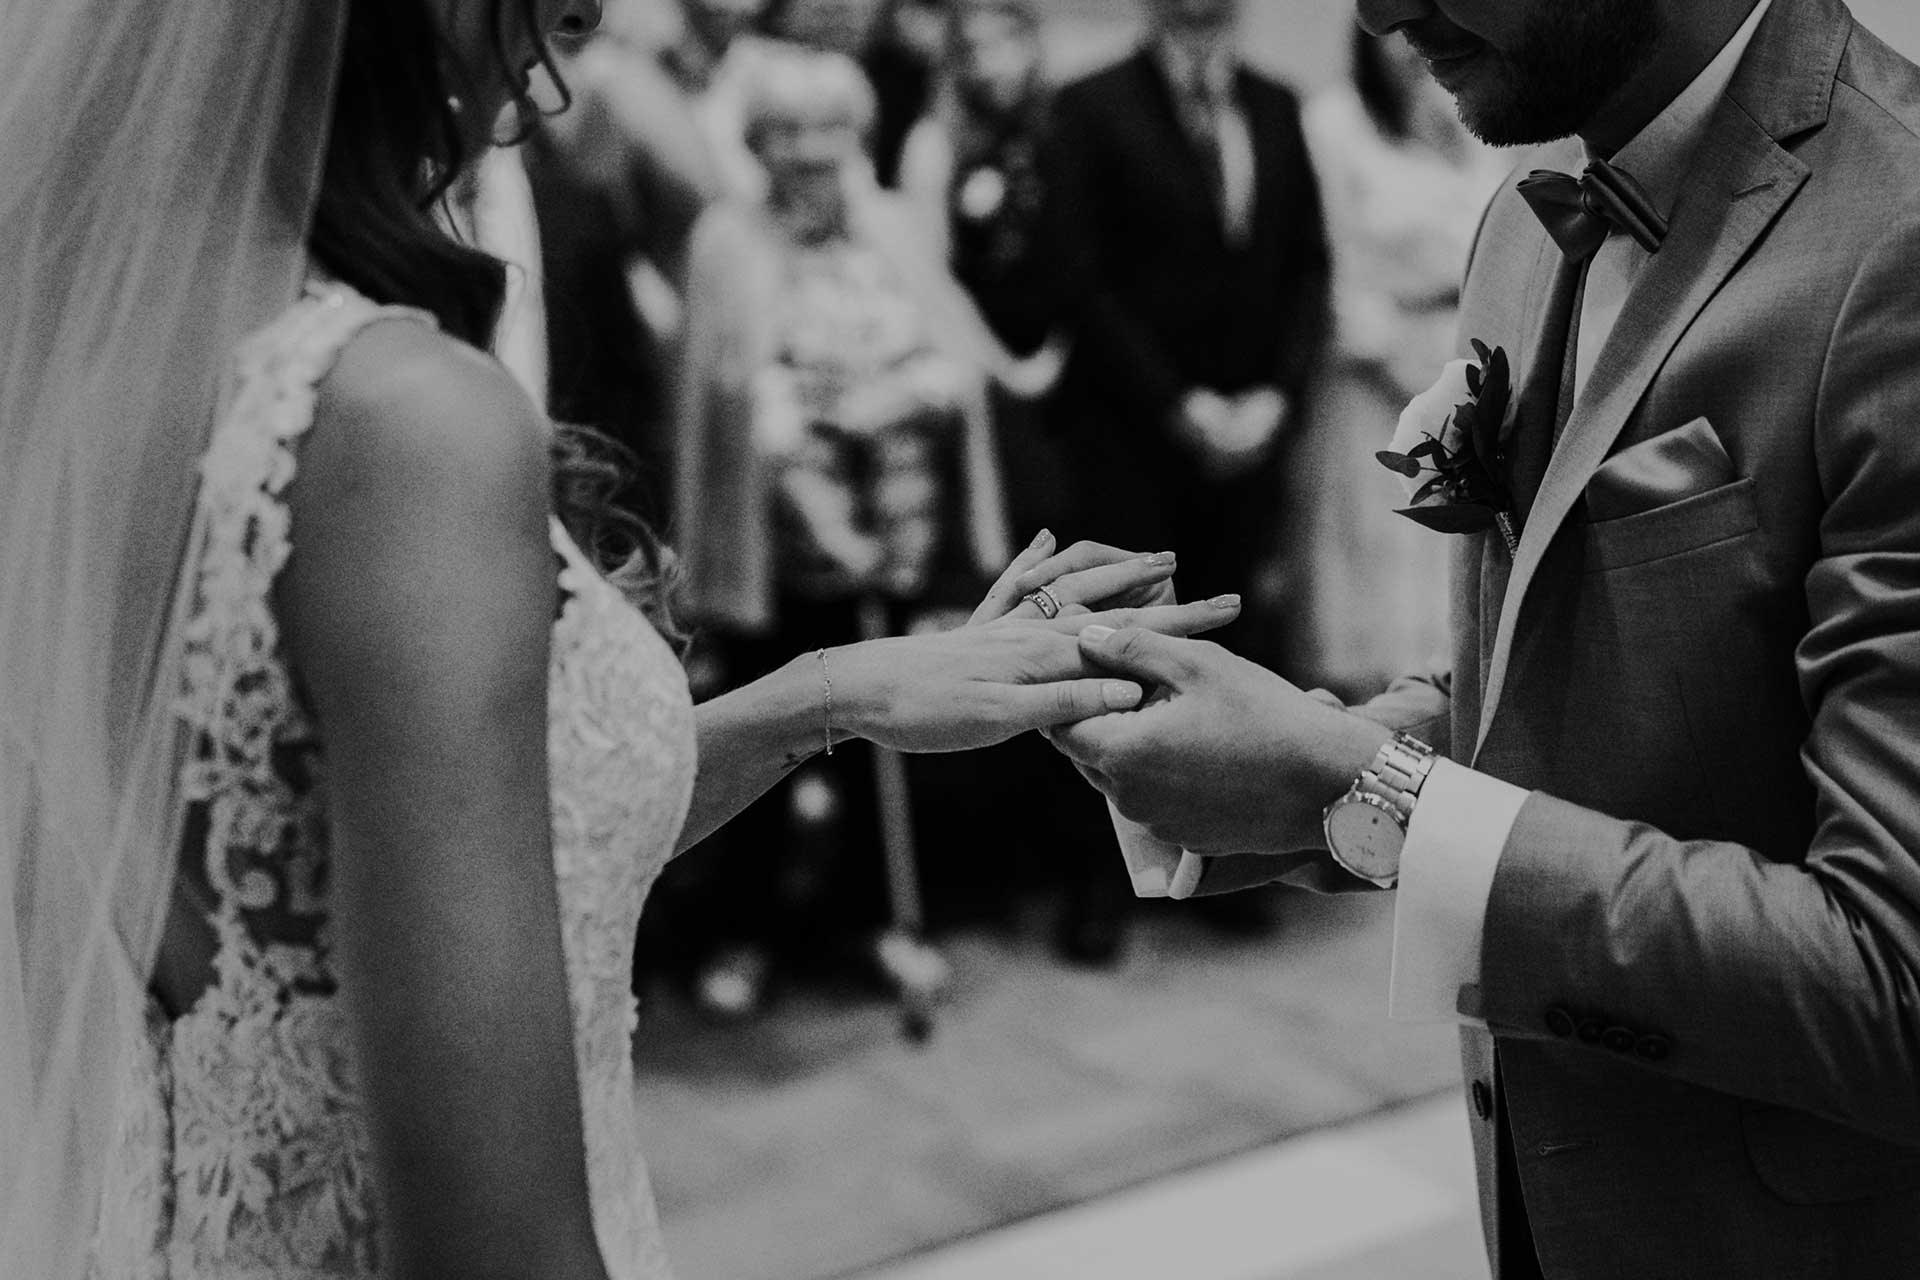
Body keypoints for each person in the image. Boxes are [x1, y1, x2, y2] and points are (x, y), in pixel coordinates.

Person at [0, 2, 1236, 1277]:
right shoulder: (397, 425)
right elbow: (500, 1246)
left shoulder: (75, 350)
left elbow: (405, 867)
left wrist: (829, 691)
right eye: (540, 19)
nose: (546, 89)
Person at [1054, 0, 1920, 1276]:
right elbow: (1557, 673)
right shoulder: (1530, 204)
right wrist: (1281, 762)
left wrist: (1368, 791)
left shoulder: (1897, 237)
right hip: (1562, 1191)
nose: (1373, 10)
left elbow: (1892, 985)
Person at [1037, 0, 1332, 664]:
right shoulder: (1089, 103)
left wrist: (1277, 398)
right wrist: (1178, 402)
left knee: (1241, 644)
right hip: (1132, 433)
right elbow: (1078, 278)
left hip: (1253, 428)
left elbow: (1307, 266)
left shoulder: (1276, 102)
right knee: (1135, 647)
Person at [1286, 24, 1508, 699]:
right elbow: (1328, 263)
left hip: (1462, 366)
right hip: (1371, 376)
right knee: (1375, 569)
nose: (1412, 44)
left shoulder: (1463, 110)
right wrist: (1396, 362)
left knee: (1453, 576)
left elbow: (1497, 240)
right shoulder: (1334, 122)